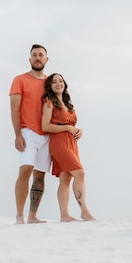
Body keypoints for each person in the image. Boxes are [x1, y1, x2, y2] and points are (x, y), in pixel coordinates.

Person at [41, 73, 96, 222]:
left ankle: (64, 215)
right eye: (54, 82)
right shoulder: (49, 102)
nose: (58, 84)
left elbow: (70, 125)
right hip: (59, 143)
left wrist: (78, 130)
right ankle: (84, 211)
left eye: (60, 81)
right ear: (50, 86)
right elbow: (45, 126)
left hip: (71, 143)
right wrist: (67, 128)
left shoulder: (67, 103)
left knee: (66, 178)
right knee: (80, 173)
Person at [9, 44, 51, 224]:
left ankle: (33, 216)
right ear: (30, 59)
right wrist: (18, 134)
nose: (37, 58)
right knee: (25, 169)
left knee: (40, 175)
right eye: (34, 55)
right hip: (27, 132)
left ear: (46, 59)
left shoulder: (50, 82)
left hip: (47, 134)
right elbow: (14, 110)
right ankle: (19, 215)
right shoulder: (19, 80)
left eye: (41, 55)